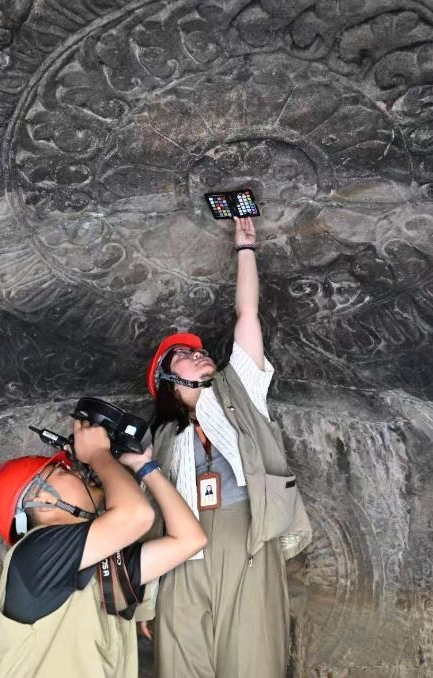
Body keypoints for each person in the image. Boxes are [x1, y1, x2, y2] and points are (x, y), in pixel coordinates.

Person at [139, 215, 314, 677]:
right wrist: (148, 596)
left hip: (246, 536)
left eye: (199, 351)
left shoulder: (241, 391)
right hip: (182, 550)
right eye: (184, 354)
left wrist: (246, 249)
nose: (198, 353)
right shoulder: (158, 438)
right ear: (166, 380)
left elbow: (248, 314)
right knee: (181, 661)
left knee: (251, 659)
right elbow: (150, 515)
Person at [0, 418, 206, 678]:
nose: (78, 472)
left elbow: (189, 539)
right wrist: (98, 454)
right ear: (43, 501)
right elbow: (137, 516)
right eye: (62, 471)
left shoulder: (103, 562)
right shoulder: (32, 555)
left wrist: (143, 466)